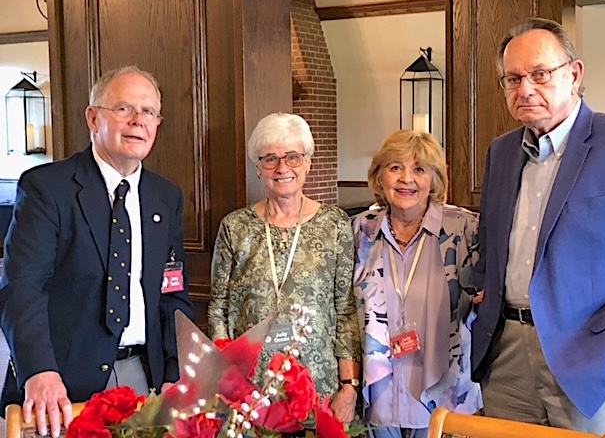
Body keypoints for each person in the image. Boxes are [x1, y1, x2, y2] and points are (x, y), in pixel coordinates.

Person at [0, 66, 194, 437]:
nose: (138, 121)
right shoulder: (47, 188)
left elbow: (172, 295)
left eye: (149, 112)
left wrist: (176, 372)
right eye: (123, 108)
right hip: (62, 381)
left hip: (144, 376)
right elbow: (22, 287)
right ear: (93, 117)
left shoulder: (166, 198)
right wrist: (40, 372)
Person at [471, 17, 605, 437]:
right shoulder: (501, 152)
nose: (525, 89)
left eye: (540, 74)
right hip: (506, 354)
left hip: (592, 357)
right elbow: (490, 249)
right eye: (513, 78)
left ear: (575, 74)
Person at [208, 112, 361, 426]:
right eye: (271, 159)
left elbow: (345, 309)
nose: (282, 168)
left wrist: (349, 385)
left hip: (319, 387)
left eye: (293, 157)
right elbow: (218, 308)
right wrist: (226, 377)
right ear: (258, 167)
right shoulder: (235, 227)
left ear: (307, 162)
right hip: (249, 390)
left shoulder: (334, 225)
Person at [352, 130, 482, 438]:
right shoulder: (361, 232)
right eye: (395, 167)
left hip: (444, 392)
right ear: (379, 176)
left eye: (419, 169)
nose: (406, 179)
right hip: (381, 391)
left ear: (434, 180)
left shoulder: (463, 228)